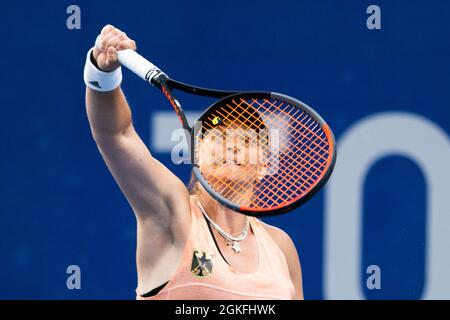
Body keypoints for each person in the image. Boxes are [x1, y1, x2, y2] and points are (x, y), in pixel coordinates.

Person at [84, 24, 304, 300]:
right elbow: (116, 135)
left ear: (263, 165)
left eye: (246, 141)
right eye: (221, 136)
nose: (233, 145)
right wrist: (102, 74)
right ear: (197, 154)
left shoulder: (280, 246)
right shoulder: (171, 214)